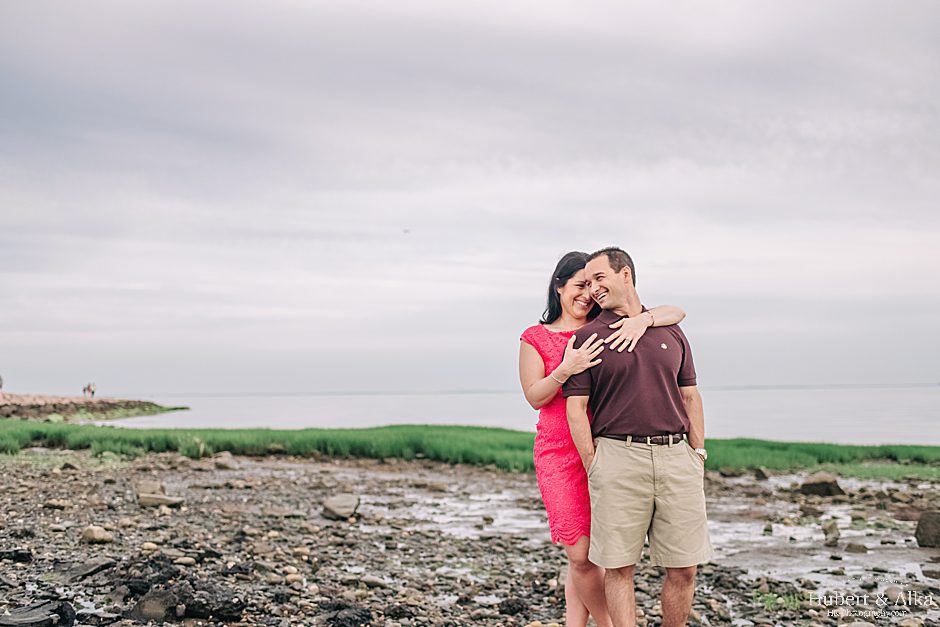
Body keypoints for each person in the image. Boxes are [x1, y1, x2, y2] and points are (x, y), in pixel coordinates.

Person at [518, 251, 687, 627]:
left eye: (592, 288)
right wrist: (566, 369)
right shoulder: (535, 337)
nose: (586, 295)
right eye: (578, 286)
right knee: (579, 554)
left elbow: (676, 312)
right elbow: (534, 397)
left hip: (609, 448)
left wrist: (643, 319)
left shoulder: (609, 327)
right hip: (560, 454)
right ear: (558, 286)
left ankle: (575, 623)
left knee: (598, 554)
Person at [564, 247, 711, 627]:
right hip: (617, 459)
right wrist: (594, 464)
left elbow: (690, 396)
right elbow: (576, 409)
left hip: (677, 457)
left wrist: (698, 452)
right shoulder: (588, 338)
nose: (594, 288)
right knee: (618, 568)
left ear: (625, 274)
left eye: (600, 278)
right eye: (588, 282)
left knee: (684, 568)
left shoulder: (670, 331)